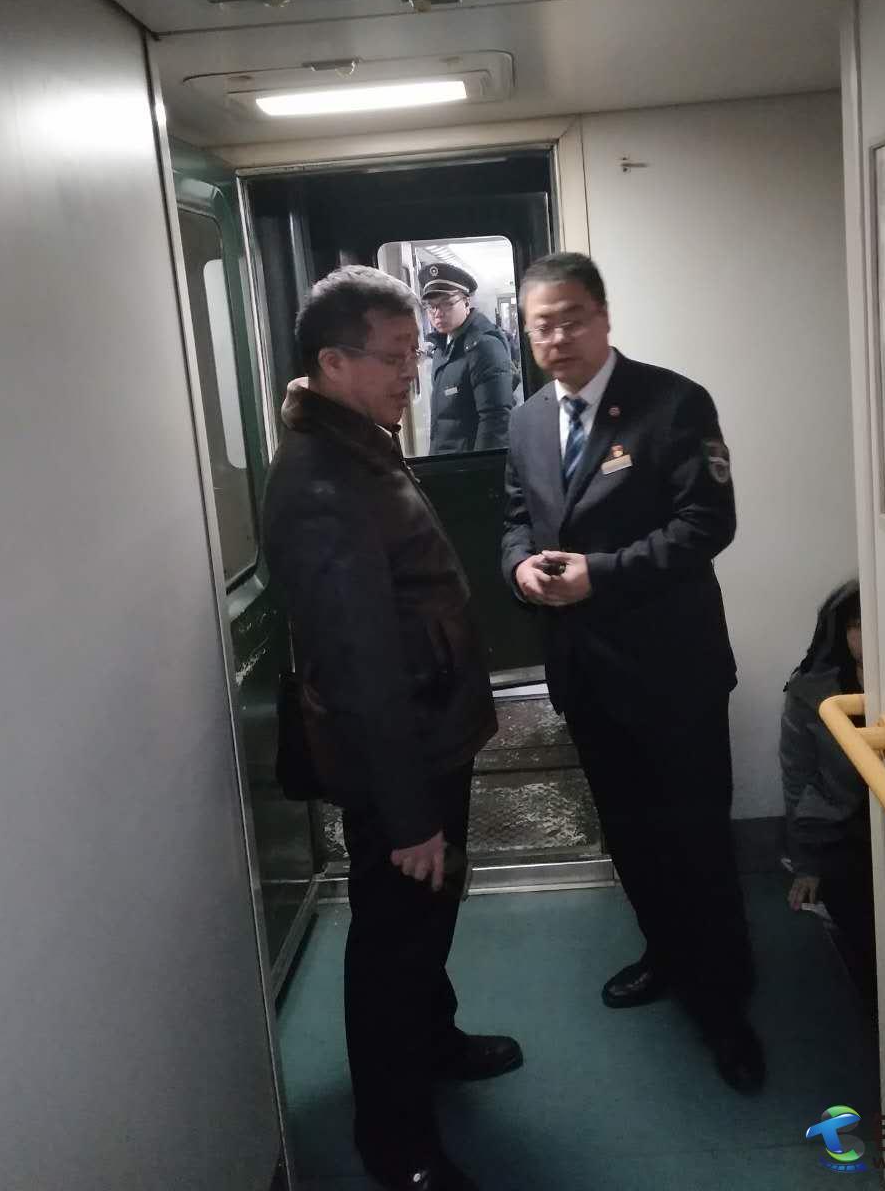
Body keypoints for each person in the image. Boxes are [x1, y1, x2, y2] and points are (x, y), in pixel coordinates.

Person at [262, 266, 521, 1191]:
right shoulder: (322, 480)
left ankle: (435, 1041)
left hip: (428, 734)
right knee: (392, 946)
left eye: (416, 352)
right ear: (334, 362)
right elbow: (359, 666)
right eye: (396, 356)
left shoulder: (358, 443)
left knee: (427, 917)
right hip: (398, 757)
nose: (413, 370)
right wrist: (410, 815)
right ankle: (397, 1144)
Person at [500, 251, 763, 1094]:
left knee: (696, 839)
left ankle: (725, 1004)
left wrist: (600, 576)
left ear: (605, 317)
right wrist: (519, 569)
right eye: (541, 324)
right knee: (630, 834)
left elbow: (707, 523)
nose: (557, 337)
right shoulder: (528, 421)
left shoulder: (673, 403)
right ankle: (665, 953)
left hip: (673, 674)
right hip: (586, 672)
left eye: (572, 318)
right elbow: (517, 517)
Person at [780, 580, 876, 1014]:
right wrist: (807, 865)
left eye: (874, 622)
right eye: (856, 624)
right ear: (840, 631)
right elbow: (797, 779)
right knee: (861, 923)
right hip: (841, 828)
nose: (866, 635)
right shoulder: (811, 693)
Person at [419, 261, 514, 453]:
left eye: (446, 303)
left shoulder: (484, 347)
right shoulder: (442, 347)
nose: (437, 313)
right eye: (431, 306)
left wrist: (478, 468)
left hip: (467, 465)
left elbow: (496, 420)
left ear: (466, 302)